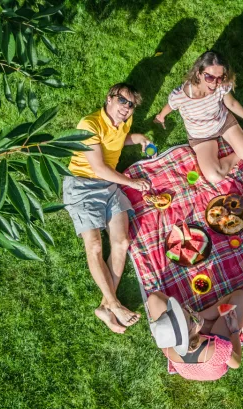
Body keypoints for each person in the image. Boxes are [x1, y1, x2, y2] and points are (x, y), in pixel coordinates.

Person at [63, 83, 153, 334]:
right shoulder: (89, 124)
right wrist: (131, 182)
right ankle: (113, 303)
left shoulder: (124, 122)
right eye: (122, 101)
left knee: (122, 242)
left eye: (131, 105)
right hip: (83, 184)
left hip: (110, 184)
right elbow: (100, 168)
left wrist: (139, 138)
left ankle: (105, 306)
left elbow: (117, 142)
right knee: (93, 245)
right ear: (109, 99)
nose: (126, 108)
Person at [153, 50, 243, 184]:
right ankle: (241, 153)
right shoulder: (180, 96)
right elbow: (170, 106)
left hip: (223, 123)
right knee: (215, 176)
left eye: (220, 77)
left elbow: (231, 103)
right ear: (198, 73)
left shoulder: (221, 85)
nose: (214, 83)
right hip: (201, 137)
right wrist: (160, 117)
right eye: (209, 77)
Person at [147, 290, 243, 381]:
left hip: (192, 356)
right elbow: (236, 364)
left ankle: (206, 320)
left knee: (154, 298)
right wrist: (235, 332)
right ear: (192, 330)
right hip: (211, 358)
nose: (193, 313)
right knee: (241, 296)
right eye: (192, 318)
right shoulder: (218, 349)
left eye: (187, 312)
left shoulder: (167, 346)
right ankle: (208, 321)